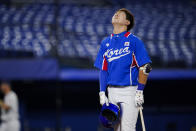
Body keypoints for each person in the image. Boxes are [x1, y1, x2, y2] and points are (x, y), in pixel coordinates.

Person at [94, 8, 152, 131]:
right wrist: (102, 92)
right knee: (116, 128)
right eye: (115, 13)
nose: (115, 14)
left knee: (127, 128)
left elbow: (145, 67)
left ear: (127, 22)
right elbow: (103, 69)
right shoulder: (106, 43)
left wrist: (140, 91)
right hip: (112, 91)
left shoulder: (134, 41)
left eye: (119, 15)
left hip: (130, 91)